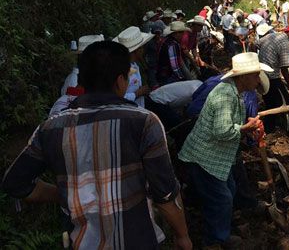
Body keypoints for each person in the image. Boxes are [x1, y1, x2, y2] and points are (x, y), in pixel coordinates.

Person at [2, 41, 192, 250]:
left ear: (82, 79)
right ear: (121, 81)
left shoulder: (51, 127)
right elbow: (164, 193)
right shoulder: (144, 122)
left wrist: (65, 193)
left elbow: (15, 183)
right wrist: (182, 236)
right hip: (137, 240)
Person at [178, 52, 270, 248]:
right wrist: (247, 128)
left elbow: (228, 124)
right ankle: (215, 240)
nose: (257, 80)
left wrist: (246, 126)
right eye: (255, 75)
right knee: (222, 199)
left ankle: (219, 228)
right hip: (205, 156)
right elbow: (223, 131)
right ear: (243, 76)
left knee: (228, 191)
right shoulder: (226, 95)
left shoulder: (234, 92)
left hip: (217, 155)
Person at [257, 23, 289, 131]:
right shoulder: (285, 44)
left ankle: (269, 128)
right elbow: (284, 67)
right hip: (271, 77)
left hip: (259, 74)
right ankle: (288, 129)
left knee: (270, 102)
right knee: (286, 102)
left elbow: (256, 44)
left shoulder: (271, 35)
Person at [114, 26, 154, 108]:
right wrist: (137, 93)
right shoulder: (121, 70)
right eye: (141, 47)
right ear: (138, 50)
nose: (143, 50)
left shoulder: (134, 65)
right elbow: (116, 98)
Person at [157, 21, 194, 85]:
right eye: (182, 33)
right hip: (168, 76)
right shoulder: (172, 45)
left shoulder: (166, 40)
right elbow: (175, 66)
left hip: (162, 72)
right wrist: (181, 78)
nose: (183, 35)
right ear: (177, 33)